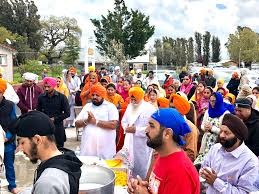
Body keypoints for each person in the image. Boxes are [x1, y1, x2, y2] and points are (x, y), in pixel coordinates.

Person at [127, 108, 200, 194]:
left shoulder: (180, 172)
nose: (146, 130)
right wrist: (145, 187)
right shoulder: (161, 155)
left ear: (167, 134)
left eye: (152, 126)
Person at [11, 111, 82, 194]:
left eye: (22, 143)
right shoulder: (67, 158)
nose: (19, 149)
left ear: (37, 139)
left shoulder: (47, 182)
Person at [200, 113, 259, 193]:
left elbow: (244, 192)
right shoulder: (216, 148)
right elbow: (204, 167)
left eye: (226, 133)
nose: (221, 135)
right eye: (221, 131)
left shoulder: (250, 162)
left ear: (238, 136)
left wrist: (216, 182)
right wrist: (204, 173)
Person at [116, 87, 156, 179]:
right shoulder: (130, 106)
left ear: (140, 97)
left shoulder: (150, 108)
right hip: (129, 141)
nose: (133, 101)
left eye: (135, 98)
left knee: (141, 166)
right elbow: (124, 121)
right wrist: (126, 127)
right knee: (128, 165)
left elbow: (152, 127)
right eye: (131, 98)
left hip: (142, 144)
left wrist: (136, 130)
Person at [75, 84, 119, 159]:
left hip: (105, 148)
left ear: (103, 95)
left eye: (97, 95)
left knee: (105, 169)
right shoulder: (87, 106)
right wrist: (87, 121)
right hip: (88, 149)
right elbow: (76, 124)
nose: (94, 97)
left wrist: (96, 122)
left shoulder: (110, 107)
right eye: (93, 95)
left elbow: (114, 125)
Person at [194, 92, 229, 167]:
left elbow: (225, 131)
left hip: (217, 142)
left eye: (214, 101)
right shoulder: (208, 112)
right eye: (210, 101)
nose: (212, 103)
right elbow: (202, 125)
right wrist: (205, 127)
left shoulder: (225, 114)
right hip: (206, 142)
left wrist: (212, 128)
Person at [37, 77, 70, 148]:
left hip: (58, 127)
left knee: (59, 148)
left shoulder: (62, 97)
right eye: (45, 87)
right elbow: (38, 112)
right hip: (45, 127)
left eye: (48, 87)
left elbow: (67, 113)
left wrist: (55, 119)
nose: (46, 89)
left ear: (54, 86)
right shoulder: (41, 98)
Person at [0, 79, 19, 194]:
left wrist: (8, 136)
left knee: (9, 164)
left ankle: (12, 185)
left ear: (2, 92)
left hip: (7, 141)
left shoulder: (10, 105)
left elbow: (14, 123)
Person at [170, 94, 199, 162]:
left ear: (181, 109)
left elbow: (191, 154)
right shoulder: (169, 124)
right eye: (170, 107)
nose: (171, 110)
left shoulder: (190, 128)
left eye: (174, 108)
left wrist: (172, 155)